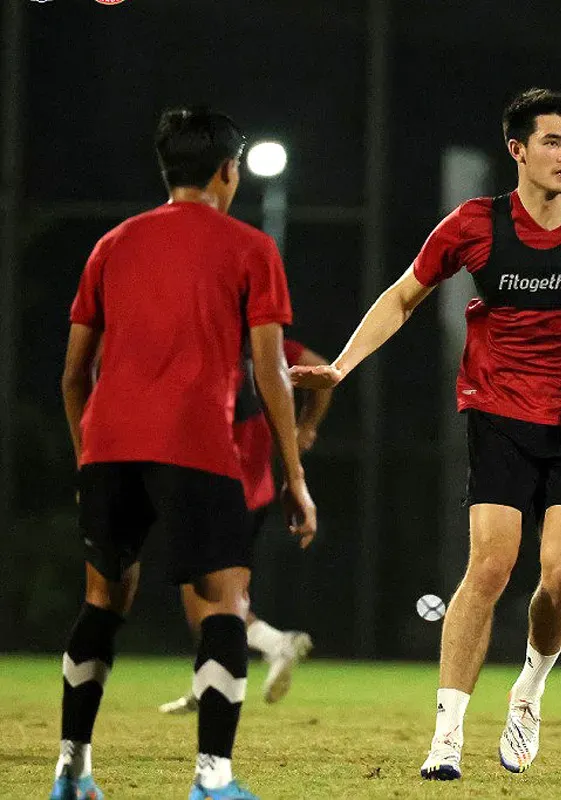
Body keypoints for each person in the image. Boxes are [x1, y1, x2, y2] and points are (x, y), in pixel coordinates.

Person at [291, 88, 561, 780]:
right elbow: (404, 294)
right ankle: (447, 739)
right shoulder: (474, 225)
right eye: (552, 142)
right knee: (489, 567)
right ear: (517, 150)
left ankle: (529, 688)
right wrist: (341, 366)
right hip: (500, 413)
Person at [55, 106, 317, 800]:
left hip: (108, 445)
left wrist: (88, 455)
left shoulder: (112, 243)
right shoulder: (251, 248)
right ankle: (213, 780)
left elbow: (74, 374)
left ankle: (72, 774)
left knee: (102, 599)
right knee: (224, 603)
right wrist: (293, 474)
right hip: (196, 446)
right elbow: (273, 374)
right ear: (229, 171)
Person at [159, 338, 333, 714]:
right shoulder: (269, 343)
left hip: (216, 479)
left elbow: (322, 374)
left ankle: (275, 645)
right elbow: (324, 372)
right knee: (211, 590)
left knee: (207, 597)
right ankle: (207, 682)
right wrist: (305, 429)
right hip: (254, 482)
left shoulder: (219, 344)